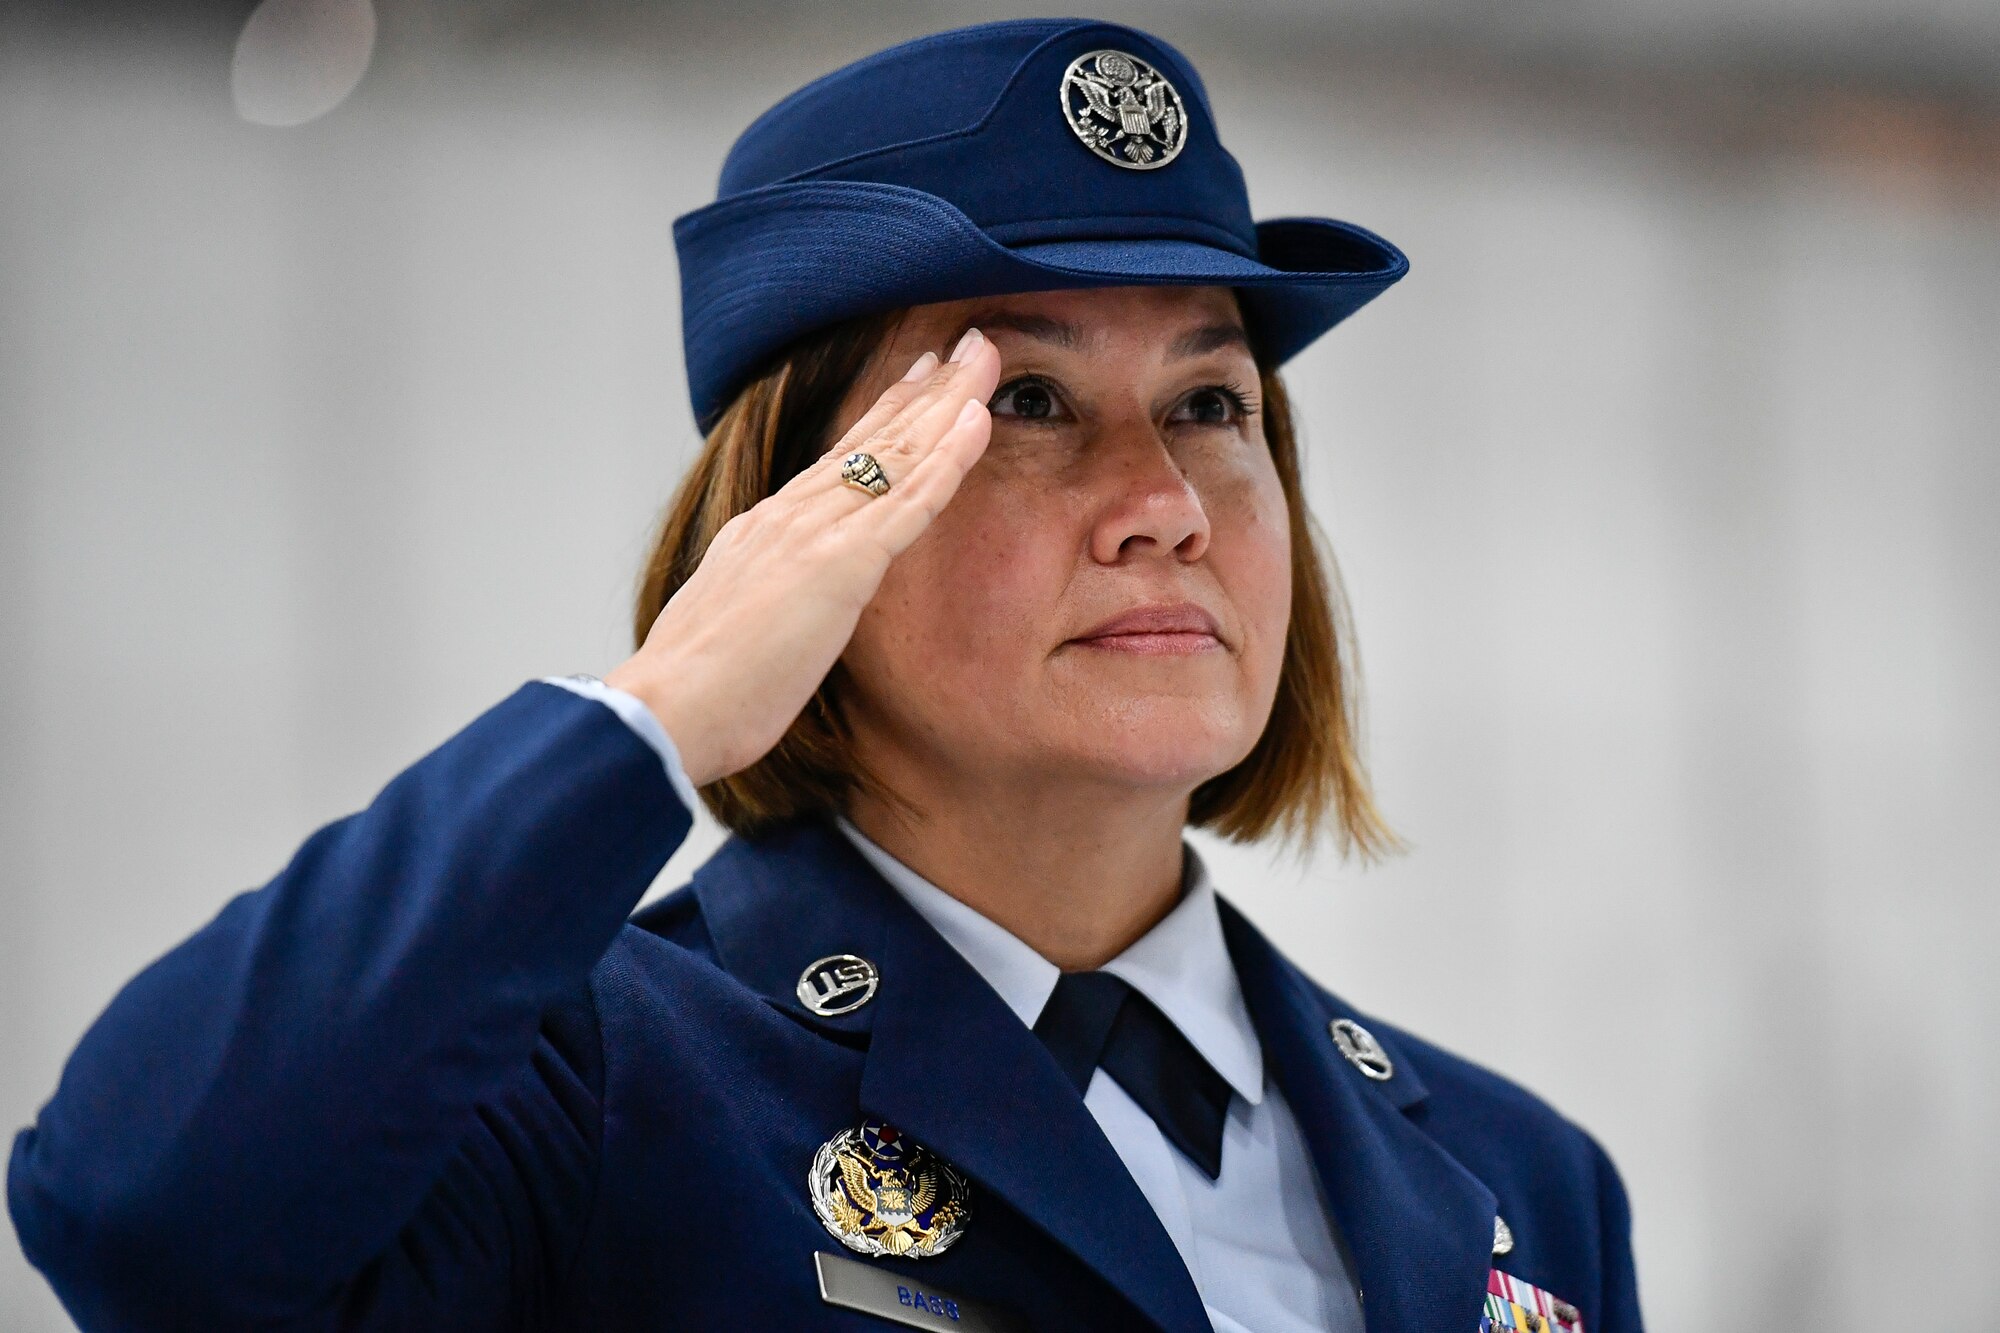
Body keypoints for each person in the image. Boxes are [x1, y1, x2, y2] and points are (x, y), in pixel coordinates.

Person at [7, 18, 1642, 1333]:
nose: (1161, 506)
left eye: (1213, 404)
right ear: (807, 515)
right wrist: (660, 707)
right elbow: (142, 1216)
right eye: (1026, 405)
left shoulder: (1523, 1176)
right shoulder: (602, 1088)